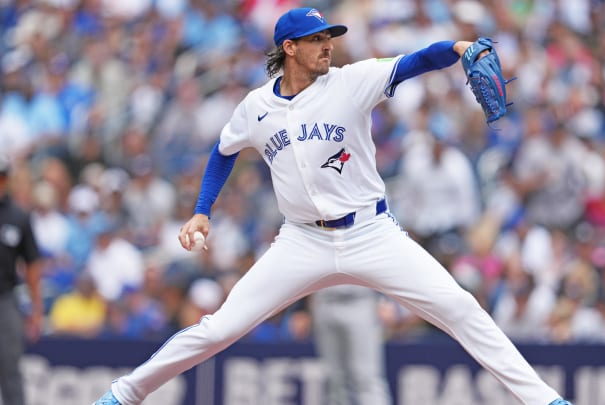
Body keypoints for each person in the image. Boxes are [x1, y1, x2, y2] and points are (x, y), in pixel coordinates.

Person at [94, 7, 572, 405]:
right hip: (301, 239)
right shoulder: (255, 107)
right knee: (219, 328)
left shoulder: (351, 81)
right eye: (316, 38)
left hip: (371, 233)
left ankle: (546, 401)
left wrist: (458, 49)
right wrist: (203, 210)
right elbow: (224, 151)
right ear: (290, 48)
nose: (328, 45)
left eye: (329, 36)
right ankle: (123, 395)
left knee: (460, 307)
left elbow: (415, 62)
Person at [0, 156, 43, 405]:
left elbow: (32, 265)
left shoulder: (18, 216)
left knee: (10, 369)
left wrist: (36, 309)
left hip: (5, 299)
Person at [311, 285, 392, 405]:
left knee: (366, 376)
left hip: (359, 300)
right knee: (334, 378)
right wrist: (301, 308)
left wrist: (385, 299)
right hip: (325, 300)